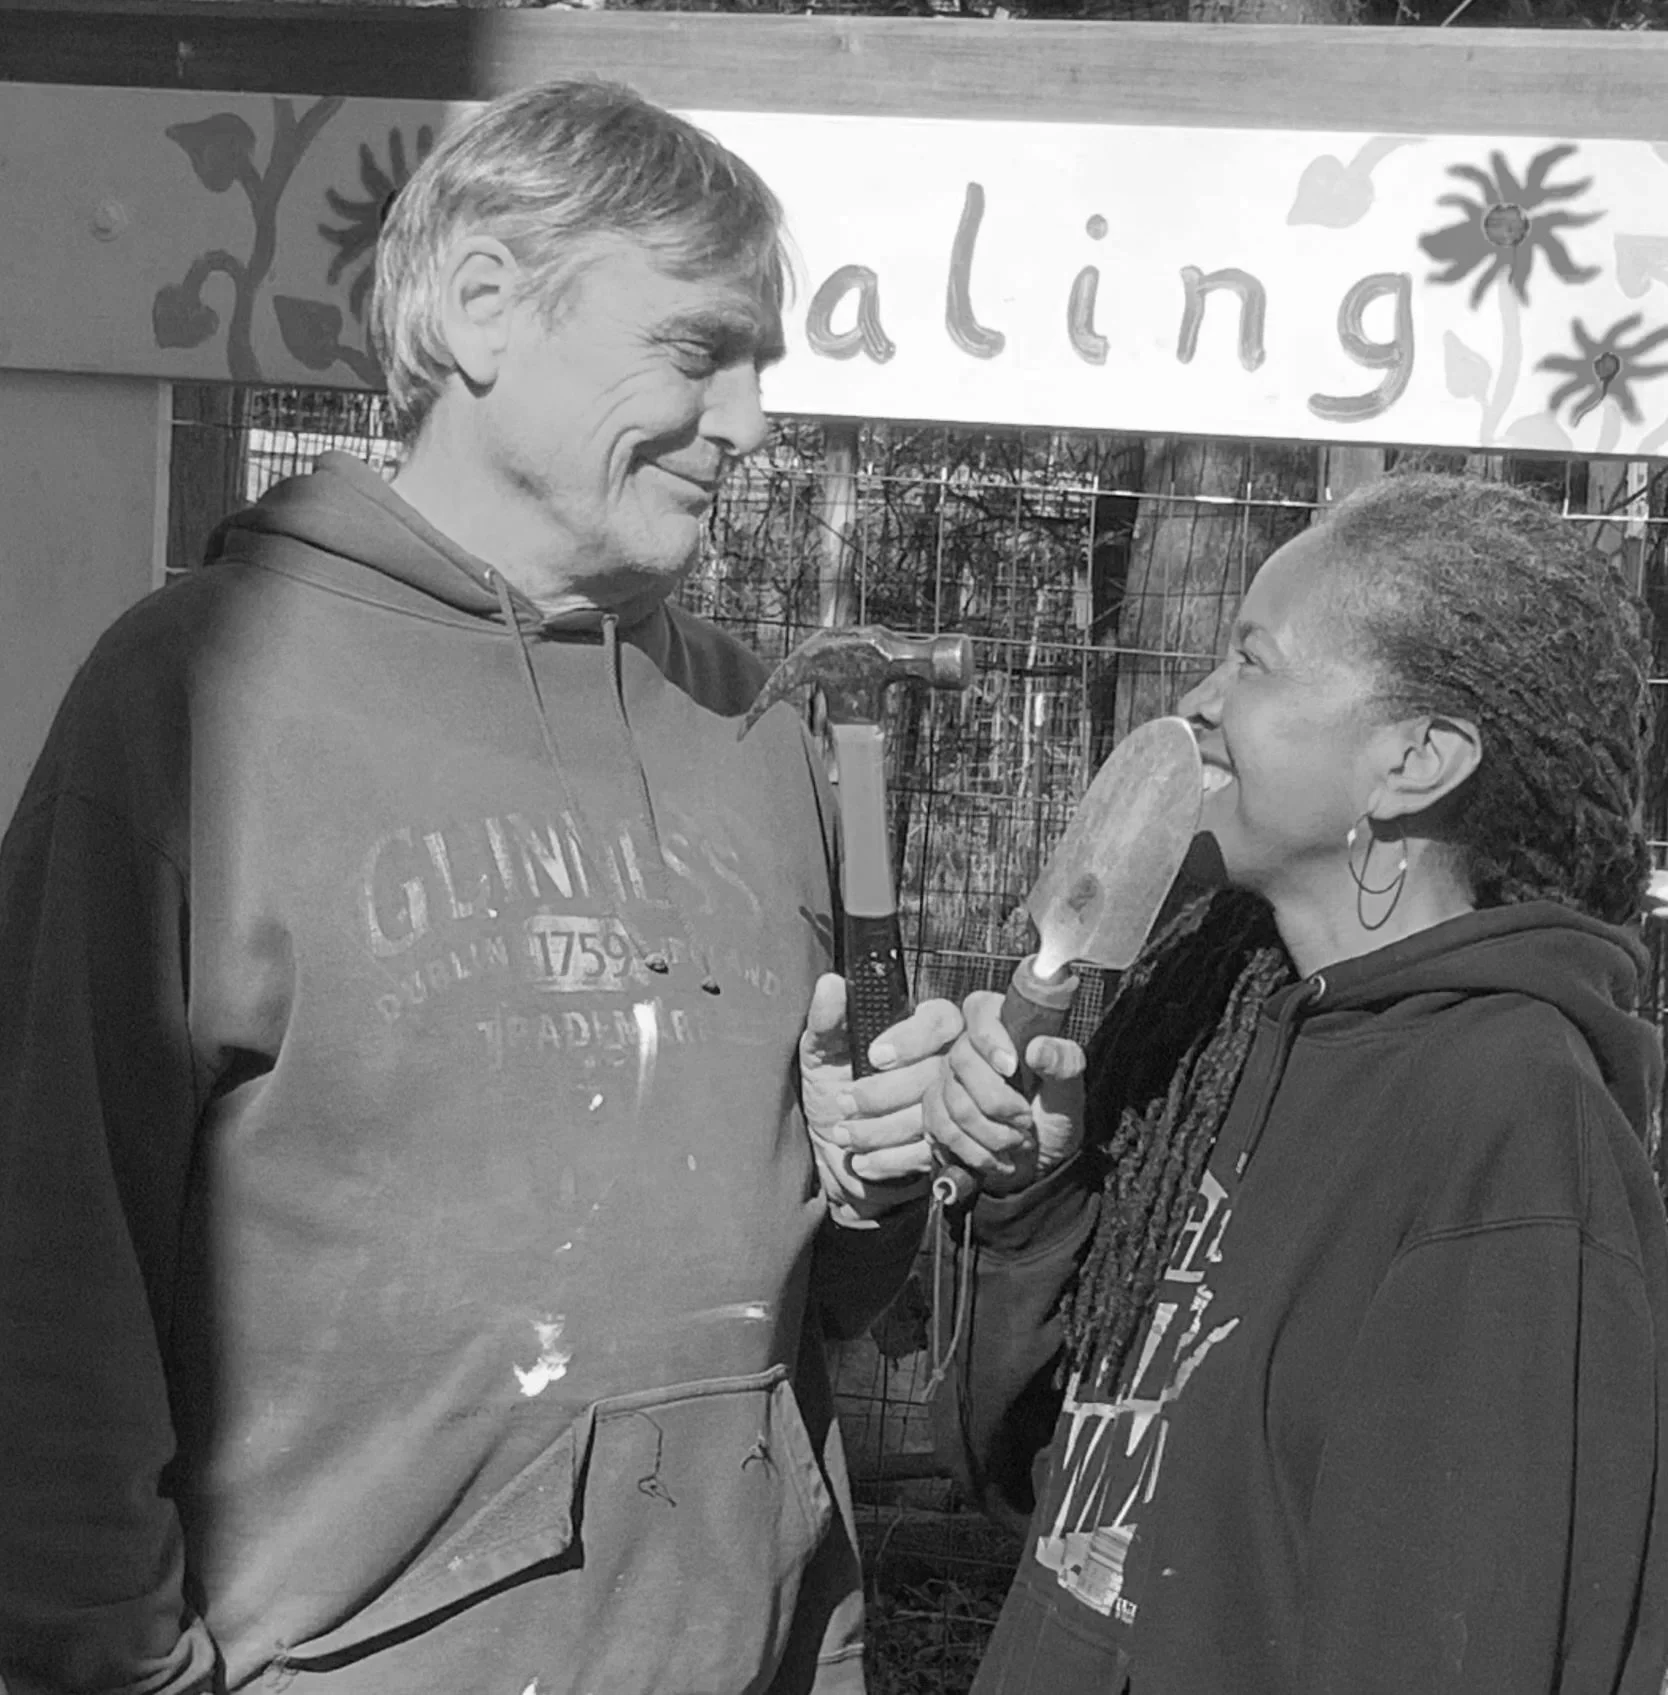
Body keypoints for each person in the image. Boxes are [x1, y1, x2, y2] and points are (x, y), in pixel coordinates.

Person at [0, 82, 957, 1695]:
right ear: (483, 308)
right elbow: (47, 1242)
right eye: (698, 350)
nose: (750, 423)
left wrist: (880, 1177)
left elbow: (827, 1292)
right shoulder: (192, 697)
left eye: (762, 368)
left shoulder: (757, 726)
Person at [922, 472, 1668, 1694]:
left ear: (1415, 760)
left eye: (1255, 664)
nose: (1200, 704)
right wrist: (1033, 1203)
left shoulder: (1510, 1121)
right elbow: (1041, 1489)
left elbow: (1459, 1639)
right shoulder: (1219, 1023)